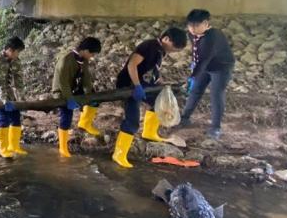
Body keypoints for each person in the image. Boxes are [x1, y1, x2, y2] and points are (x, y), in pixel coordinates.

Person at [112, 27, 188, 168]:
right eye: (175, 47)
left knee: (159, 102)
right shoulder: (149, 46)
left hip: (143, 83)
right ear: (166, 39)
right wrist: (136, 86)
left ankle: (149, 132)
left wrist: (159, 83)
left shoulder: (161, 50)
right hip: (128, 84)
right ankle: (119, 154)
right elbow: (132, 65)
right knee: (133, 120)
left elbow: (153, 70)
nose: (175, 51)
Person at [179, 9, 235, 140]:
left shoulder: (213, 36)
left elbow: (205, 58)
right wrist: (194, 65)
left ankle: (216, 128)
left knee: (216, 94)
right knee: (195, 91)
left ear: (205, 23)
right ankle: (185, 118)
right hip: (204, 65)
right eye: (190, 25)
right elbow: (197, 52)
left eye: (196, 26)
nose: (192, 29)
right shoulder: (192, 34)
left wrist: (193, 76)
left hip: (221, 67)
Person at [52, 37, 102, 158]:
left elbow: (86, 77)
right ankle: (63, 148)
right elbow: (62, 82)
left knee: (95, 101)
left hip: (75, 88)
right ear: (85, 50)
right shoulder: (66, 60)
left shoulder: (83, 60)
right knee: (66, 115)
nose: (92, 56)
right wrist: (69, 99)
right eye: (92, 53)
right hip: (62, 92)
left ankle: (85, 123)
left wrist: (90, 93)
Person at [0, 36, 27, 158]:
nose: (18, 54)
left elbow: (19, 81)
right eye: (17, 51)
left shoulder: (16, 61)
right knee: (3, 115)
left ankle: (14, 146)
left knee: (15, 116)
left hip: (8, 93)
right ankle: (2, 149)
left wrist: (22, 100)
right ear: (9, 49)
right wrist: (4, 100)